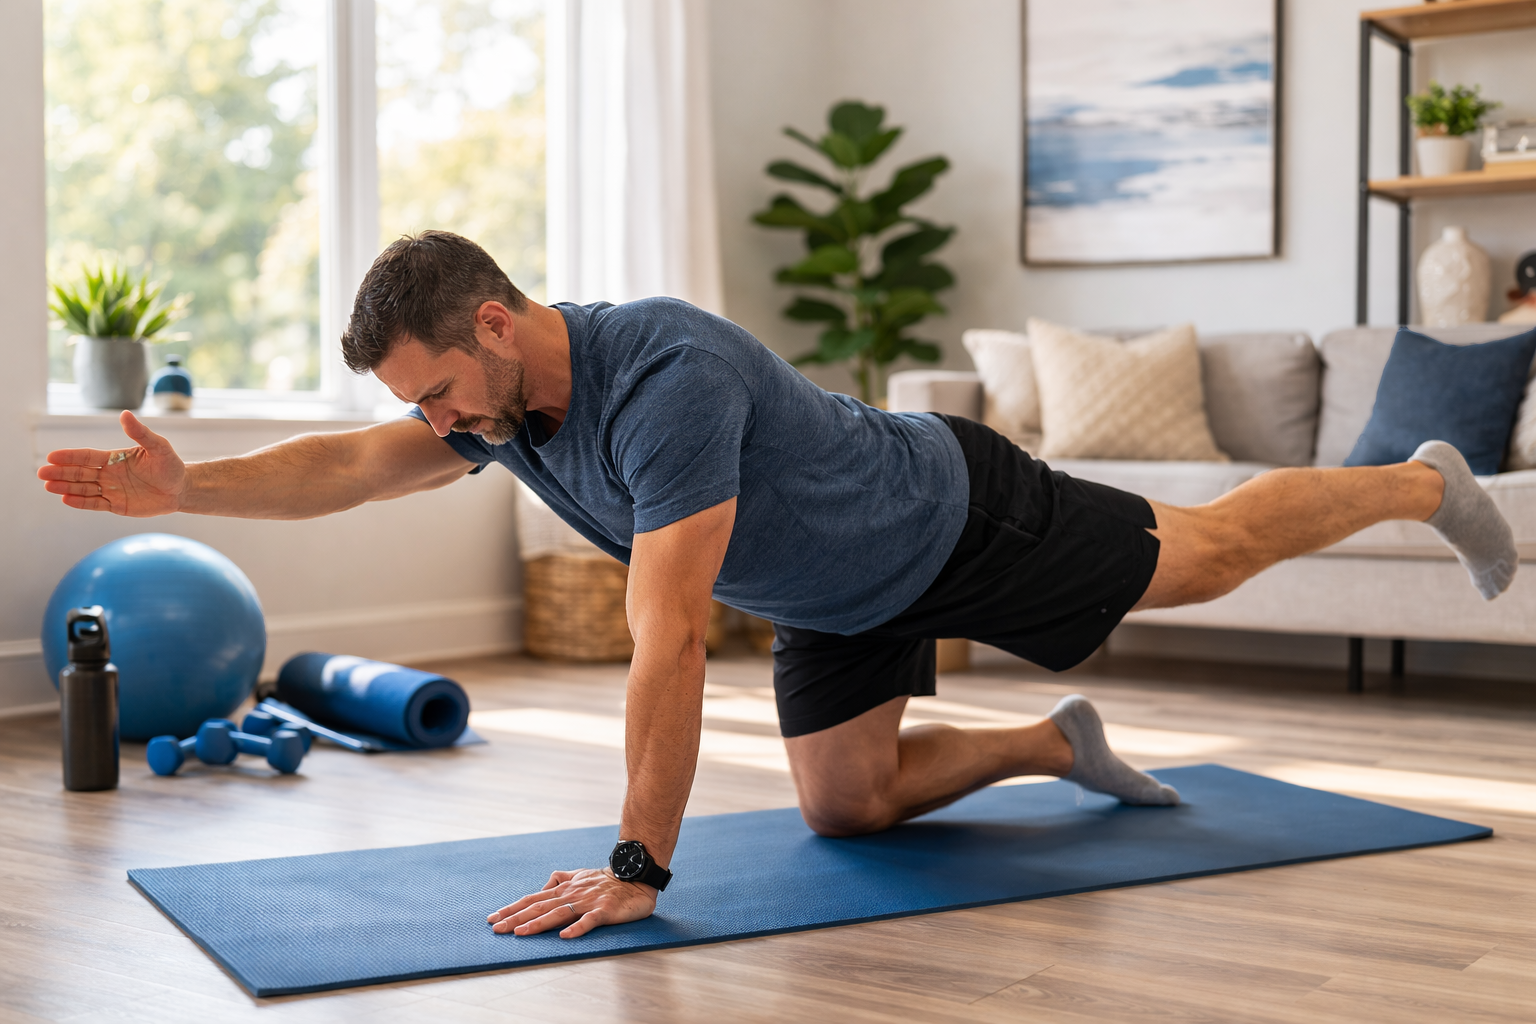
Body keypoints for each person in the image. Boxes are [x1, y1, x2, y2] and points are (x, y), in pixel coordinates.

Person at [38, 231, 1517, 941]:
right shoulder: (493, 408)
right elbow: (353, 466)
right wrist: (191, 490)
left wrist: (636, 865)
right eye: (425, 405)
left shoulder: (658, 374)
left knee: (1202, 560)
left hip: (953, 513)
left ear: (494, 323)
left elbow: (671, 636)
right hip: (834, 592)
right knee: (846, 808)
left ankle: (1421, 481)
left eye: (442, 391)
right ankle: (1043, 745)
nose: (439, 424)